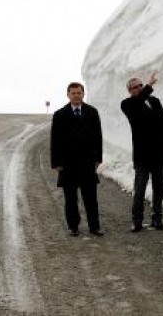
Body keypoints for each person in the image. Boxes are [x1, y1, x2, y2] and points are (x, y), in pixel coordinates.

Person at [121, 72, 163, 232]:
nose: (138, 88)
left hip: (158, 151)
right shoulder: (127, 104)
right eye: (134, 87)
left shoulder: (154, 101)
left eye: (140, 85)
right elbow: (138, 105)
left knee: (159, 189)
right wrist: (149, 86)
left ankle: (157, 219)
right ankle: (137, 221)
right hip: (142, 154)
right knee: (140, 190)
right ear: (130, 91)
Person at [50, 82, 104, 237]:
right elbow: (55, 140)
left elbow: (98, 137)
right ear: (68, 95)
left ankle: (95, 227)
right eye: (73, 93)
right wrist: (57, 163)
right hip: (68, 164)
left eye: (79, 92)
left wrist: (98, 158)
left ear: (83, 93)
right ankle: (73, 227)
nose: (76, 95)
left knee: (91, 198)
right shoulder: (60, 114)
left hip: (87, 163)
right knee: (71, 199)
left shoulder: (92, 112)